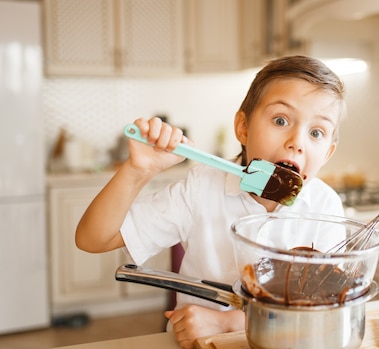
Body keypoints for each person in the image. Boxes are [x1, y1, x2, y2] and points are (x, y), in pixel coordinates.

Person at [75, 55, 347, 349]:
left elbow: (326, 314)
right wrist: (138, 170)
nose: (297, 141)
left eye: (316, 132)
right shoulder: (200, 187)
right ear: (243, 127)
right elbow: (93, 239)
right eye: (280, 120)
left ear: (328, 153)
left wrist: (230, 323)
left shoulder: (325, 207)